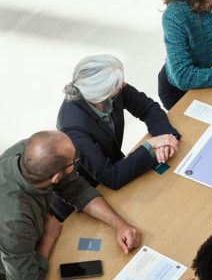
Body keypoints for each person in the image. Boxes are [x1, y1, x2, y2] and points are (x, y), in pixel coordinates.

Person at [0, 130, 142, 280]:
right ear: (56, 177)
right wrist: (48, 236)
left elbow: (75, 188)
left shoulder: (29, 154)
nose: (76, 163)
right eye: (74, 161)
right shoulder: (13, 223)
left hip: (6, 246)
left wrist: (119, 225)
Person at [58, 54, 180, 190]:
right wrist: (150, 145)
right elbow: (110, 176)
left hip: (121, 167)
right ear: (101, 95)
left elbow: (147, 108)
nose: (124, 84)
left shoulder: (112, 88)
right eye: (118, 84)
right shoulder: (72, 127)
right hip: (96, 188)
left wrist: (166, 140)